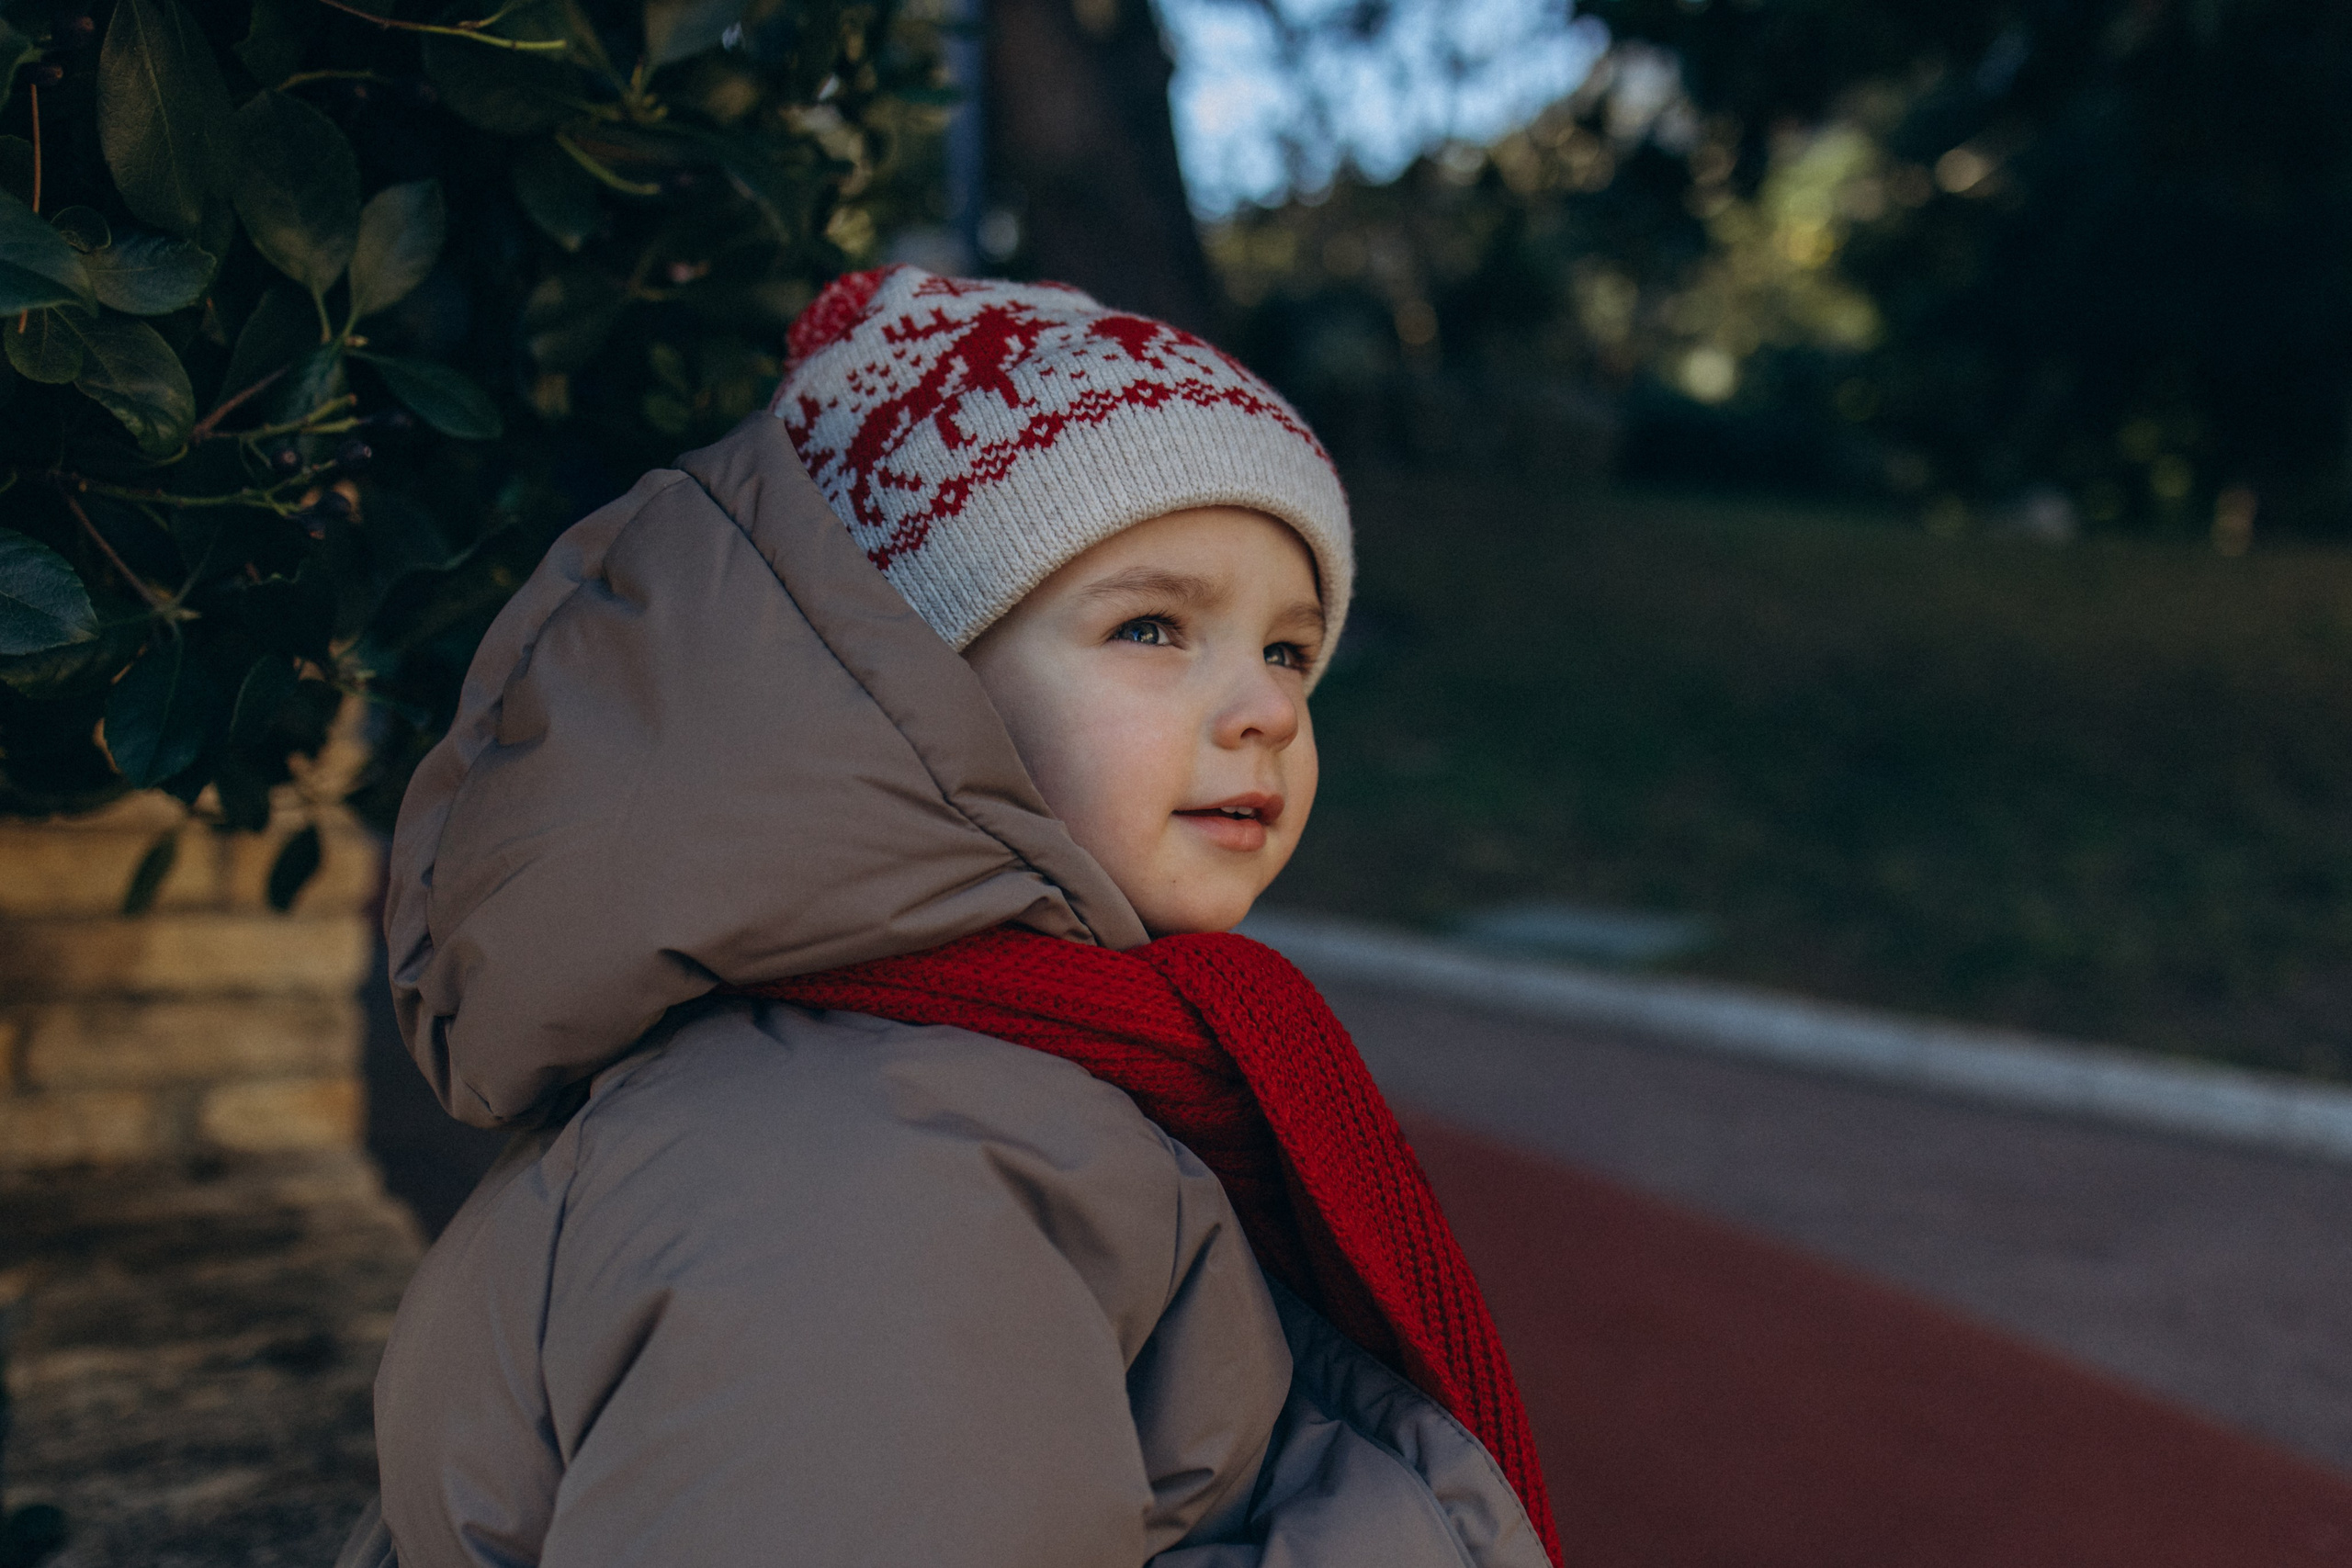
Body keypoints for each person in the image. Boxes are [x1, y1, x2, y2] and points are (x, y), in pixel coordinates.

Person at [342, 267, 1560, 1568]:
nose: (1266, 708)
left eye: (1288, 649)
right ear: (911, 689)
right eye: (1153, 627)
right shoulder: (868, 1179)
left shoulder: (984, 1082)